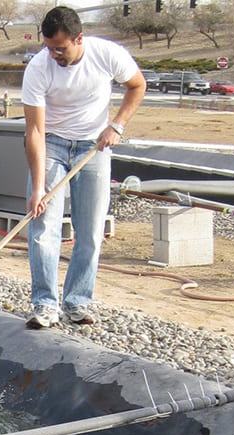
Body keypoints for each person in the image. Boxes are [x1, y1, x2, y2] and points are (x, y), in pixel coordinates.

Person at [21, 6, 146, 328]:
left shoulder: (107, 55)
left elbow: (137, 85)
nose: (53, 55)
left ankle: (77, 302)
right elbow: (34, 131)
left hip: (94, 147)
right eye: (49, 47)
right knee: (43, 228)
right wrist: (38, 189)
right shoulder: (38, 68)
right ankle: (45, 305)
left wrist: (117, 125)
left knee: (89, 230)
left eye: (60, 48)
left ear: (79, 38)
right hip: (53, 144)